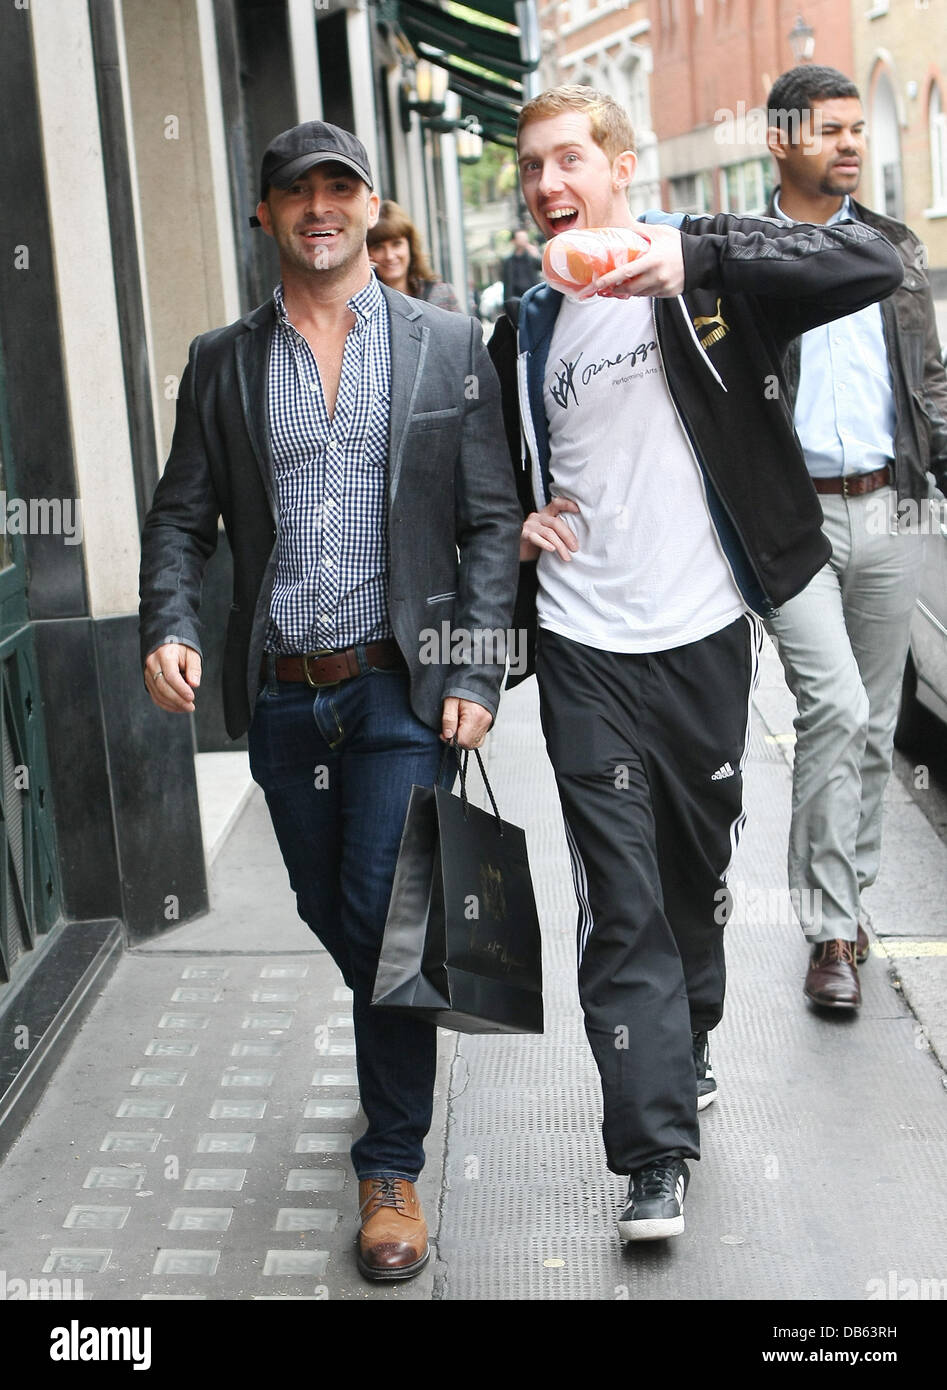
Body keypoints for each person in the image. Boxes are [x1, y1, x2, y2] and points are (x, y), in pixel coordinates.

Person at [487, 84, 902, 1240]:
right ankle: (651, 1150)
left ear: (621, 169)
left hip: (704, 638)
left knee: (687, 885)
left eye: (568, 159)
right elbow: (482, 480)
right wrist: (514, 523)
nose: (546, 185)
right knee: (617, 906)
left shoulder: (710, 281)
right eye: (530, 169)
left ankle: (694, 1034)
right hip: (582, 648)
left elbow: (871, 260)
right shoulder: (522, 327)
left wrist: (691, 252)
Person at [138, 120, 521, 1281]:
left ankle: (389, 1165)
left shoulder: (449, 342)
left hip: (401, 684)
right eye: (294, 189)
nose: (319, 206)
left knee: (380, 903)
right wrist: (170, 621)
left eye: (338, 186)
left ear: (369, 204)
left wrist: (473, 666)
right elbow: (179, 518)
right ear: (263, 213)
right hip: (286, 697)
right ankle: (430, 987)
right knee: (344, 914)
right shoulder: (219, 360)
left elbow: (490, 521)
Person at [763, 66, 947, 1010]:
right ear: (779, 141)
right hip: (795, 520)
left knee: (875, 723)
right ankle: (827, 929)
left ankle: (847, 900)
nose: (847, 143)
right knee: (831, 710)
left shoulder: (894, 248)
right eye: (827, 130)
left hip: (891, 506)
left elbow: (927, 381)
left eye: (854, 130)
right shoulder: (748, 253)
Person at [367, 198, 462, 311]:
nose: (389, 256)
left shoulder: (440, 295)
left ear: (410, 246)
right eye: (378, 247)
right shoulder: (362, 303)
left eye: (396, 244)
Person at [501, 227, 542, 300]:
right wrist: (507, 302)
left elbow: (544, 267)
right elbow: (507, 284)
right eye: (521, 237)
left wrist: (537, 255)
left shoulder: (532, 256)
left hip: (534, 296)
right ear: (513, 241)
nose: (524, 240)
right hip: (516, 299)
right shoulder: (508, 261)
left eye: (525, 237)